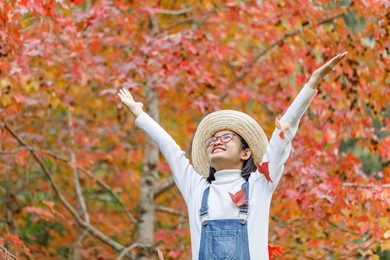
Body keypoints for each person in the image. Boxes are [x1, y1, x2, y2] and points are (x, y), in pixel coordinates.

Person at [117, 52, 347, 260]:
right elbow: (169, 147)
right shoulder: (196, 188)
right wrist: (140, 114)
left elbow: (282, 134)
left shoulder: (260, 183)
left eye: (226, 137)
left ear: (246, 152)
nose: (216, 141)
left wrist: (311, 84)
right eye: (212, 139)